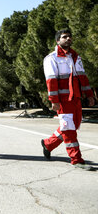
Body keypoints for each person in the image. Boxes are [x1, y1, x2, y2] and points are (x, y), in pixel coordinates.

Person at [42, 29, 95, 171]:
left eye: (69, 37)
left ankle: (48, 144)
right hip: (63, 100)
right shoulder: (51, 58)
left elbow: (82, 77)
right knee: (69, 128)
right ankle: (76, 159)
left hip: (76, 98)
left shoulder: (75, 56)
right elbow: (51, 81)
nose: (68, 39)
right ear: (58, 41)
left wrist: (90, 95)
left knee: (72, 125)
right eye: (64, 37)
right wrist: (54, 100)